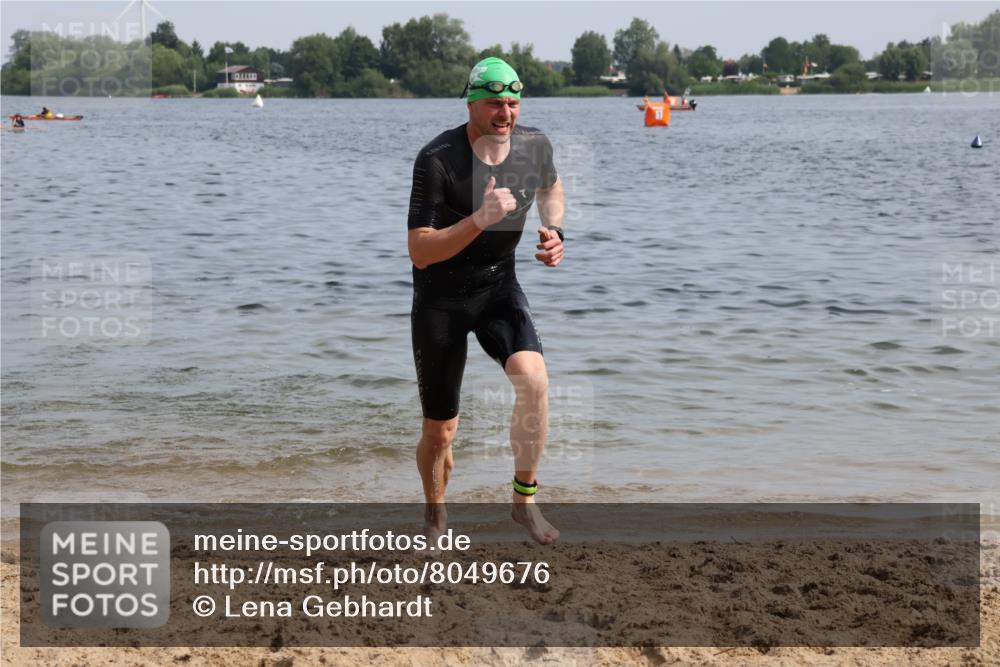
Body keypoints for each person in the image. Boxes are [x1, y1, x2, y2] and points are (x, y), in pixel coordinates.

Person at [407, 57, 565, 545]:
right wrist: (479, 218)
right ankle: (436, 519)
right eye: (496, 102)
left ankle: (524, 502)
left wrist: (555, 230)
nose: (506, 113)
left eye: (514, 102)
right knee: (441, 431)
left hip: (499, 286)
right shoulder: (438, 159)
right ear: (472, 102)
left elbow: (552, 186)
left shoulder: (533, 145)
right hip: (441, 299)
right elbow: (419, 250)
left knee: (535, 382)